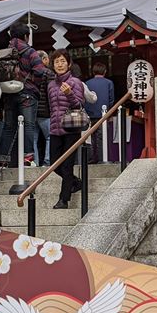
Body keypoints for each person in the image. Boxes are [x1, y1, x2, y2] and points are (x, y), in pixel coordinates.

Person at [0, 22, 53, 167]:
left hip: (8, 93)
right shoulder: (30, 52)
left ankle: (3, 160)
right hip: (27, 94)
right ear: (26, 36)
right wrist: (32, 82)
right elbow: (40, 70)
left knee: (9, 127)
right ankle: (27, 159)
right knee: (28, 126)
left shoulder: (5, 51)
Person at [46, 50, 86, 210]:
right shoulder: (50, 84)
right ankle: (76, 182)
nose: (60, 64)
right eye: (56, 62)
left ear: (69, 64)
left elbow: (80, 105)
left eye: (63, 61)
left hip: (71, 128)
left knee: (67, 165)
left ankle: (63, 200)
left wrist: (69, 94)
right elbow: (52, 108)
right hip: (55, 129)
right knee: (55, 165)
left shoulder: (76, 82)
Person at [85, 62, 115, 163]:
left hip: (90, 114)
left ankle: (92, 158)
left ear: (93, 72)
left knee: (91, 138)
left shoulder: (87, 83)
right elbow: (111, 100)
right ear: (105, 71)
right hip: (103, 114)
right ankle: (102, 159)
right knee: (102, 138)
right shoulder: (109, 83)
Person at [34, 50, 52, 167]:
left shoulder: (31, 73)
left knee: (33, 139)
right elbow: (51, 93)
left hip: (32, 111)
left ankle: (34, 161)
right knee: (49, 137)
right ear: (44, 60)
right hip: (45, 112)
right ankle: (47, 161)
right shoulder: (48, 73)